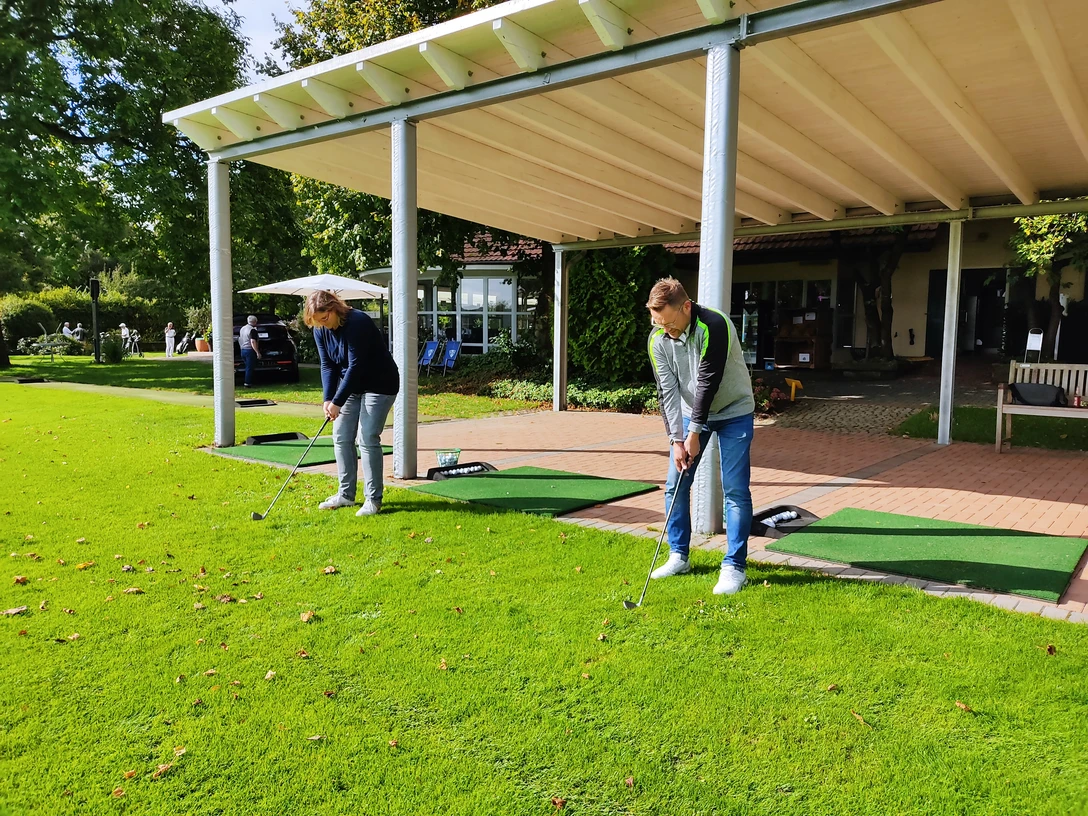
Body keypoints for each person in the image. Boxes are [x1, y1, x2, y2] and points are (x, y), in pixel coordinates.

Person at [645, 278, 755, 596]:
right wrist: (676, 440)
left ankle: (735, 567)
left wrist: (693, 432)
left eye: (670, 323)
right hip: (690, 415)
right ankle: (679, 556)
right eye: (658, 323)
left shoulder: (713, 324)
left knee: (735, 489)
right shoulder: (658, 340)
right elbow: (666, 392)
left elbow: (708, 380)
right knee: (675, 484)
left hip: (734, 412)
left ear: (687, 307)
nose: (666, 330)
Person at [304, 290, 399, 517]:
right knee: (341, 436)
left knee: (367, 438)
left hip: (380, 383)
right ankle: (346, 495)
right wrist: (328, 398)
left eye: (325, 318)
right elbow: (328, 365)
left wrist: (338, 400)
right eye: (317, 322)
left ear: (334, 308)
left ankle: (373, 500)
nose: (323, 325)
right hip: (351, 384)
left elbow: (357, 366)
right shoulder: (321, 330)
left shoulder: (358, 322)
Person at [237, 315, 261, 387]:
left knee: (247, 367)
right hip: (249, 350)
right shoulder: (252, 330)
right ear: (255, 322)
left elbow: (239, 339)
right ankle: (248, 383)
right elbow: (253, 341)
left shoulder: (242, 328)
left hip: (243, 350)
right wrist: (257, 352)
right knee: (249, 368)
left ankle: (248, 381)